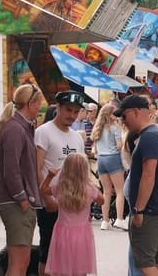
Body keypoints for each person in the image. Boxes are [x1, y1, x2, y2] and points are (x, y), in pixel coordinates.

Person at [113, 95, 158, 276]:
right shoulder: (154, 135)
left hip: (149, 210)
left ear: (136, 112)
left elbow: (148, 175)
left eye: (124, 116)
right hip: (157, 207)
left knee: (145, 263)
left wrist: (138, 210)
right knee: (156, 259)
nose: (123, 121)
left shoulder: (149, 137)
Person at [35, 91, 87, 274]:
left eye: (76, 112)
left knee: (73, 252)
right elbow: (37, 168)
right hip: (50, 203)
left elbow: (81, 172)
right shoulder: (42, 132)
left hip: (72, 204)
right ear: (58, 108)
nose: (72, 115)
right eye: (68, 110)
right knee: (48, 250)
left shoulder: (77, 138)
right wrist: (47, 199)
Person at [0, 83, 44, 276]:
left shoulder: (18, 127)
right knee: (19, 262)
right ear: (31, 103)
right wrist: (22, 198)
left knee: (21, 261)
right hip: (16, 202)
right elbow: (11, 169)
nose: (40, 107)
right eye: (38, 103)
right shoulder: (16, 129)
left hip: (17, 201)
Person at [40, 154, 103, 276]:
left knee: (63, 268)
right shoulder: (89, 189)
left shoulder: (61, 188)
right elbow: (102, 200)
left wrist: (50, 176)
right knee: (80, 269)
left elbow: (43, 190)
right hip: (82, 234)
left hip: (62, 232)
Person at [91, 103, 126, 231]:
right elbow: (119, 145)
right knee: (119, 191)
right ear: (109, 115)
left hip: (101, 159)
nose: (117, 116)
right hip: (113, 158)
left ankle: (105, 221)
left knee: (106, 192)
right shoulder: (115, 128)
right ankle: (119, 219)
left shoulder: (97, 128)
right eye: (115, 113)